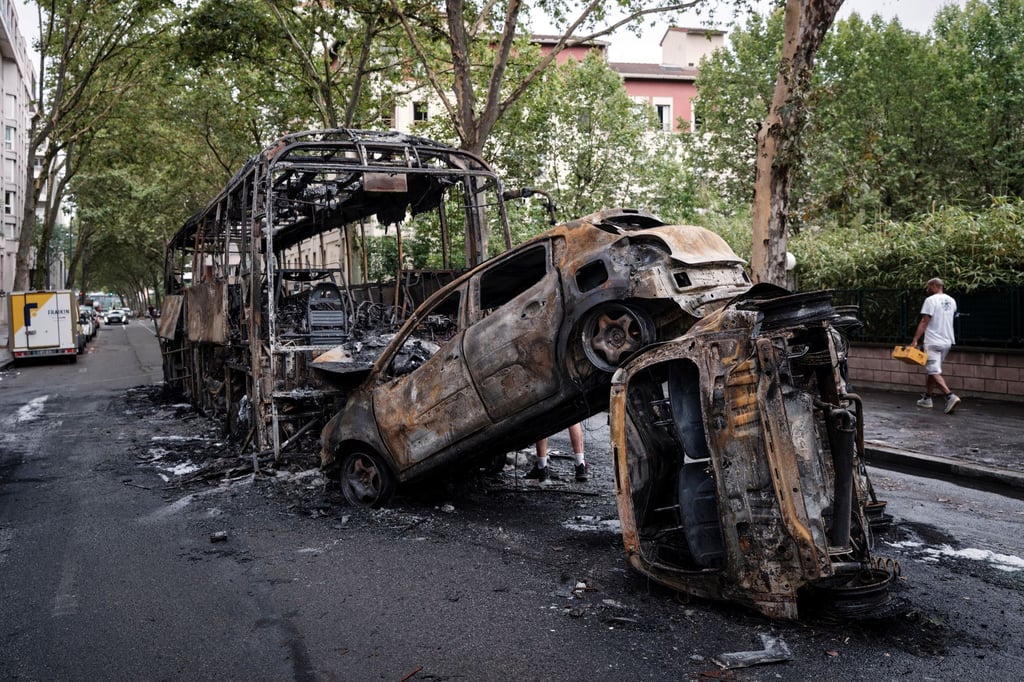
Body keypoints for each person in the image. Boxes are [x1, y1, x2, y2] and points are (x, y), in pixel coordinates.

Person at [911, 277, 961, 414]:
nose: (927, 290)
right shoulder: (952, 301)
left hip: (933, 342)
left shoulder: (930, 300)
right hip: (947, 341)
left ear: (934, 286)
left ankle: (949, 396)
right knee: (933, 370)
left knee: (933, 371)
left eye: (928, 287)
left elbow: (924, 321)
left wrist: (915, 340)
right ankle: (927, 398)